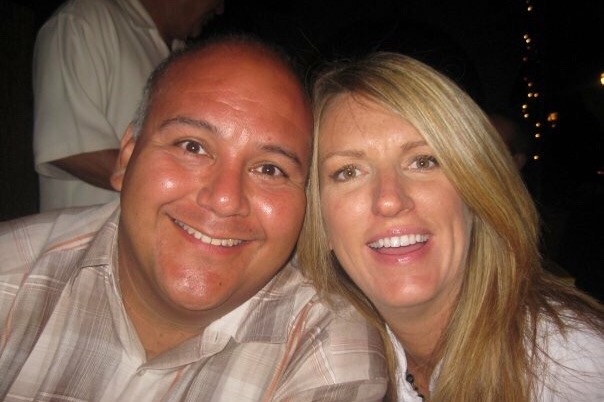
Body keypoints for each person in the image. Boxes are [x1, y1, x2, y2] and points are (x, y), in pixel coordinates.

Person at [0, 36, 387, 400]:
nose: (224, 200)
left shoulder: (329, 355)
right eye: (192, 147)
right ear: (126, 158)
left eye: (270, 169)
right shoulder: (10, 273)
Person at [298, 52, 604, 401]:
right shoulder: (323, 358)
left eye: (423, 161)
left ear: (477, 192)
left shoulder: (574, 367)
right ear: (320, 221)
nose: (389, 200)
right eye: (348, 172)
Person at [33, 0, 225, 211]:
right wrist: (186, 191)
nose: (220, 8)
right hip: (90, 230)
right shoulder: (83, 20)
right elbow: (70, 149)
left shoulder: (186, 57)